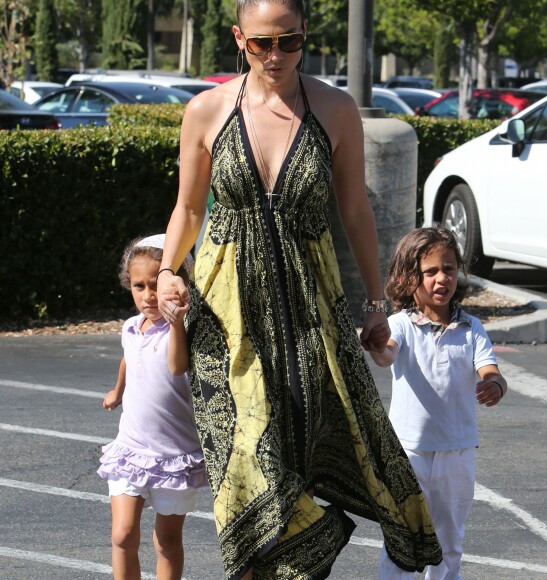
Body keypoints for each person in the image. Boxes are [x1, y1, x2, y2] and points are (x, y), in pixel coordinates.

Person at [158, 0, 442, 578]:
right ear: (240, 39)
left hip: (311, 312)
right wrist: (167, 271)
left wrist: (375, 302)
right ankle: (299, 548)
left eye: (289, 42)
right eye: (263, 42)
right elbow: (188, 208)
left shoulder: (334, 109)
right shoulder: (207, 111)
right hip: (225, 314)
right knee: (244, 464)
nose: (276, 55)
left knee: (308, 450)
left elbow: (356, 210)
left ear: (305, 35)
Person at [370, 227, 508, 580]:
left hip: (457, 453)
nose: (441, 278)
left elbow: (491, 371)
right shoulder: (400, 324)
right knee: (401, 539)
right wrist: (375, 344)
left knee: (449, 542)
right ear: (408, 278)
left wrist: (494, 385)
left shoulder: (471, 327)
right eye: (429, 271)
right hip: (407, 452)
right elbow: (387, 355)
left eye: (448, 268)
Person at [98, 234, 207, 580]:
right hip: (130, 449)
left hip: (173, 456)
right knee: (123, 534)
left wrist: (176, 324)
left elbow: (176, 366)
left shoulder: (185, 330)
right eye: (138, 286)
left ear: (176, 285)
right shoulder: (131, 327)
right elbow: (130, 358)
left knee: (167, 543)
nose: (148, 296)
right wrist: (118, 390)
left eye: (155, 285)